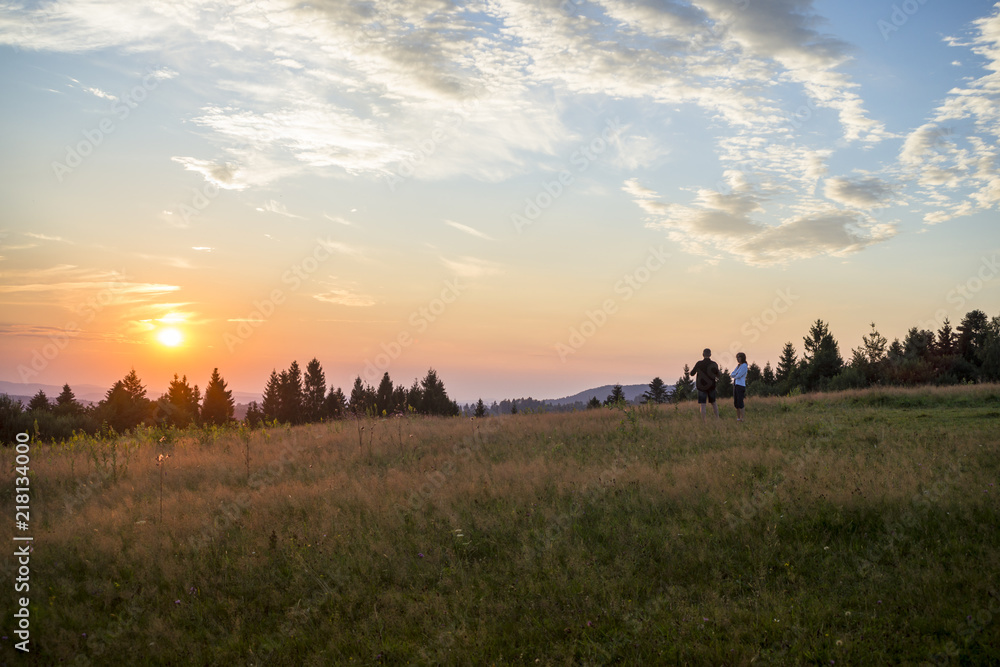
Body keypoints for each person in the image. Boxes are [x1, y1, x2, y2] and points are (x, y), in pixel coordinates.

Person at [691, 348, 721, 421]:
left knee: (703, 405)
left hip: (701, 387)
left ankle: (703, 421)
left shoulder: (699, 363)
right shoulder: (714, 364)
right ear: (710, 355)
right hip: (711, 386)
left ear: (703, 354)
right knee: (714, 403)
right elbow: (718, 375)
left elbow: (692, 373)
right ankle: (717, 419)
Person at [731, 352, 748, 422]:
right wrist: (735, 374)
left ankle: (742, 418)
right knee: (736, 402)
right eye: (737, 357)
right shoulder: (738, 366)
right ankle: (738, 418)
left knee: (740, 402)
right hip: (735, 385)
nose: (738, 359)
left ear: (742, 358)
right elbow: (732, 374)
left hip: (740, 385)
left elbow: (739, 375)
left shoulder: (744, 365)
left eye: (739, 357)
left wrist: (735, 374)